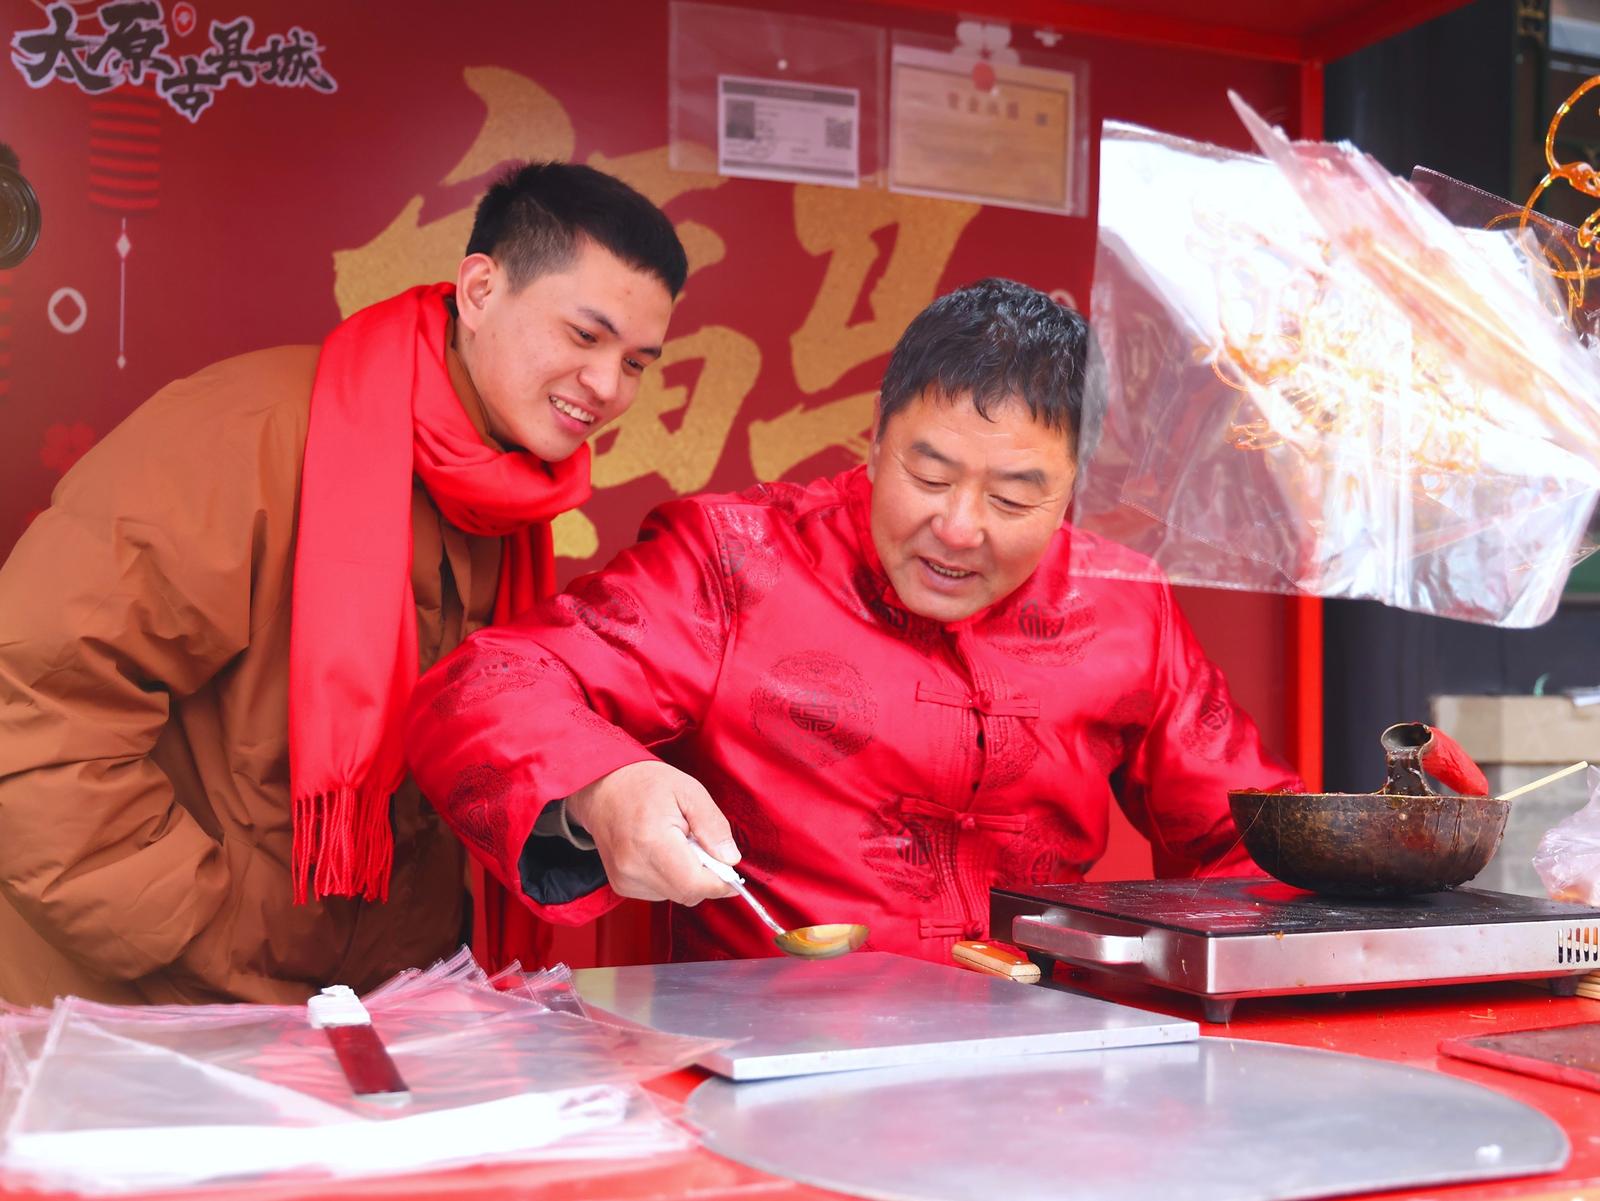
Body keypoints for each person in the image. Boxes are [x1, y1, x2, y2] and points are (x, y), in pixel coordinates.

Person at [405, 278, 1300, 964]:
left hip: (1043, 1063)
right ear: (876, 437)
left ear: (1072, 492)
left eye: (1014, 497)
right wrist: (603, 789)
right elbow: (485, 688)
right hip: (768, 1061)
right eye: (929, 475)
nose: (959, 527)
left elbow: (1249, 840)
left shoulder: (1123, 602)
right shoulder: (737, 560)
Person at [0, 161, 686, 1004]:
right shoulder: (250, 433)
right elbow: (34, 700)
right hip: (145, 1004)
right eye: (584, 336)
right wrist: (205, 931)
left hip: (362, 1010)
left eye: (637, 362)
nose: (607, 387)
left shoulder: (510, 497)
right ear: (480, 290)